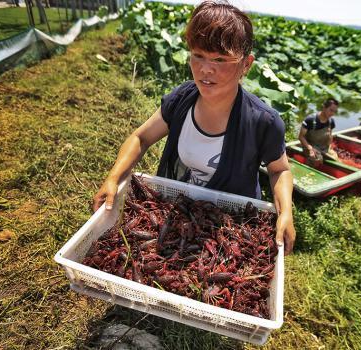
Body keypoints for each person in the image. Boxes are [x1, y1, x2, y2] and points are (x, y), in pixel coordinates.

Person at [92, 1, 295, 255]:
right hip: (179, 213)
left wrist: (285, 212)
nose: (205, 69)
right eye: (198, 55)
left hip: (231, 228)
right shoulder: (182, 99)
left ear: (246, 65)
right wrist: (114, 178)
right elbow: (141, 138)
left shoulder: (263, 121)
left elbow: (280, 171)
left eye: (220, 59)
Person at [298, 98, 339, 167]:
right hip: (310, 146)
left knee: (336, 160)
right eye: (331, 110)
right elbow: (301, 137)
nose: (332, 113)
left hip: (324, 147)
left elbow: (330, 137)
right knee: (316, 158)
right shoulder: (310, 119)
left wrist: (329, 144)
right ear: (324, 107)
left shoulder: (331, 121)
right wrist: (310, 149)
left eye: (334, 111)